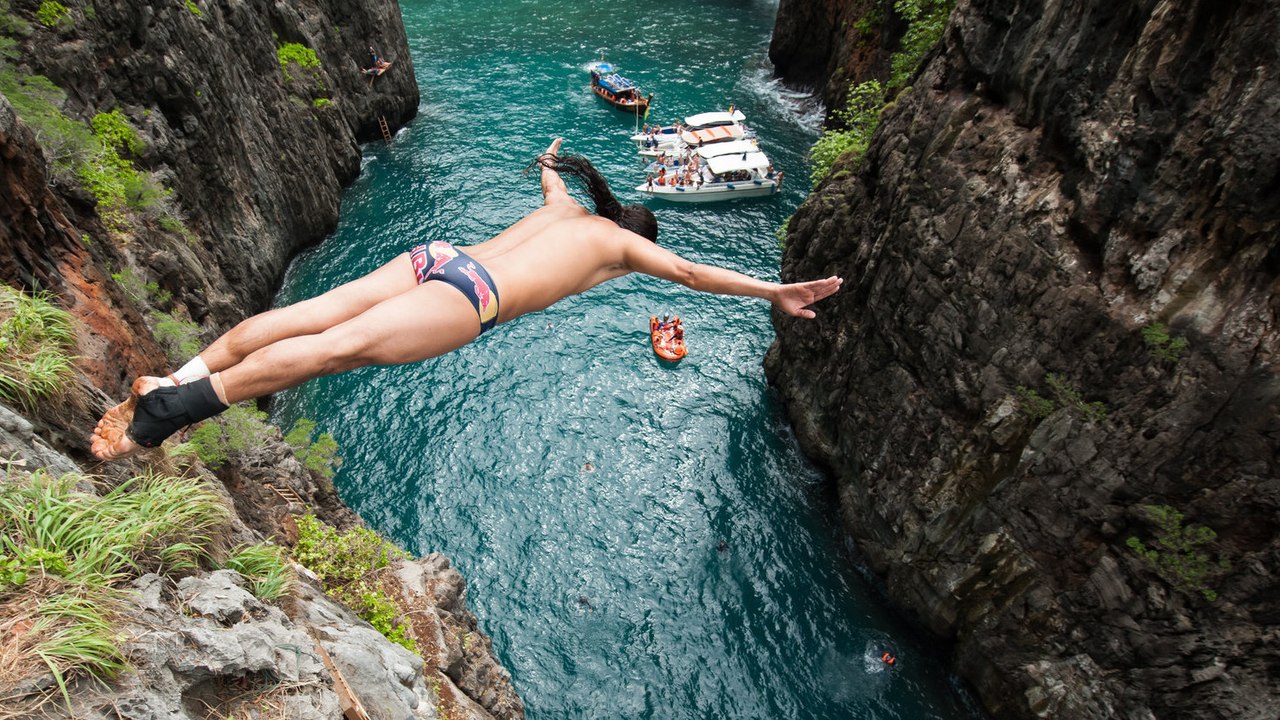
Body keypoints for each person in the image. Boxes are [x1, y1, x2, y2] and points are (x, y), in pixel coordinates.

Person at [89, 138, 842, 460]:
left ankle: (179, 377)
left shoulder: (566, 208)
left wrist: (551, 159)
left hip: (437, 257)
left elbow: (550, 172)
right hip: (471, 297)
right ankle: (168, 413)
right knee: (329, 350)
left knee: (299, 318)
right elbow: (692, 275)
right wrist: (772, 288)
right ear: (632, 238)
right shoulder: (621, 247)